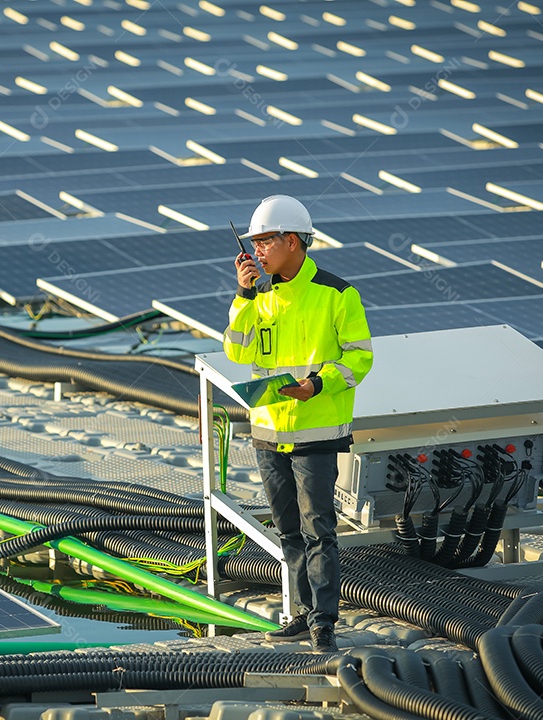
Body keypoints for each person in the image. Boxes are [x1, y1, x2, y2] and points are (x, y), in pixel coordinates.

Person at [223, 195, 373, 653]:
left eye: (265, 241)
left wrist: (317, 384)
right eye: (254, 243)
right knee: (287, 530)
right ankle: (304, 613)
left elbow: (360, 358)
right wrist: (244, 295)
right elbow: (236, 350)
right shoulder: (258, 296)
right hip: (268, 433)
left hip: (315, 433)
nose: (257, 251)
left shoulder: (338, 294)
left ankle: (324, 621)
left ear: (293, 241)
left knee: (318, 530)